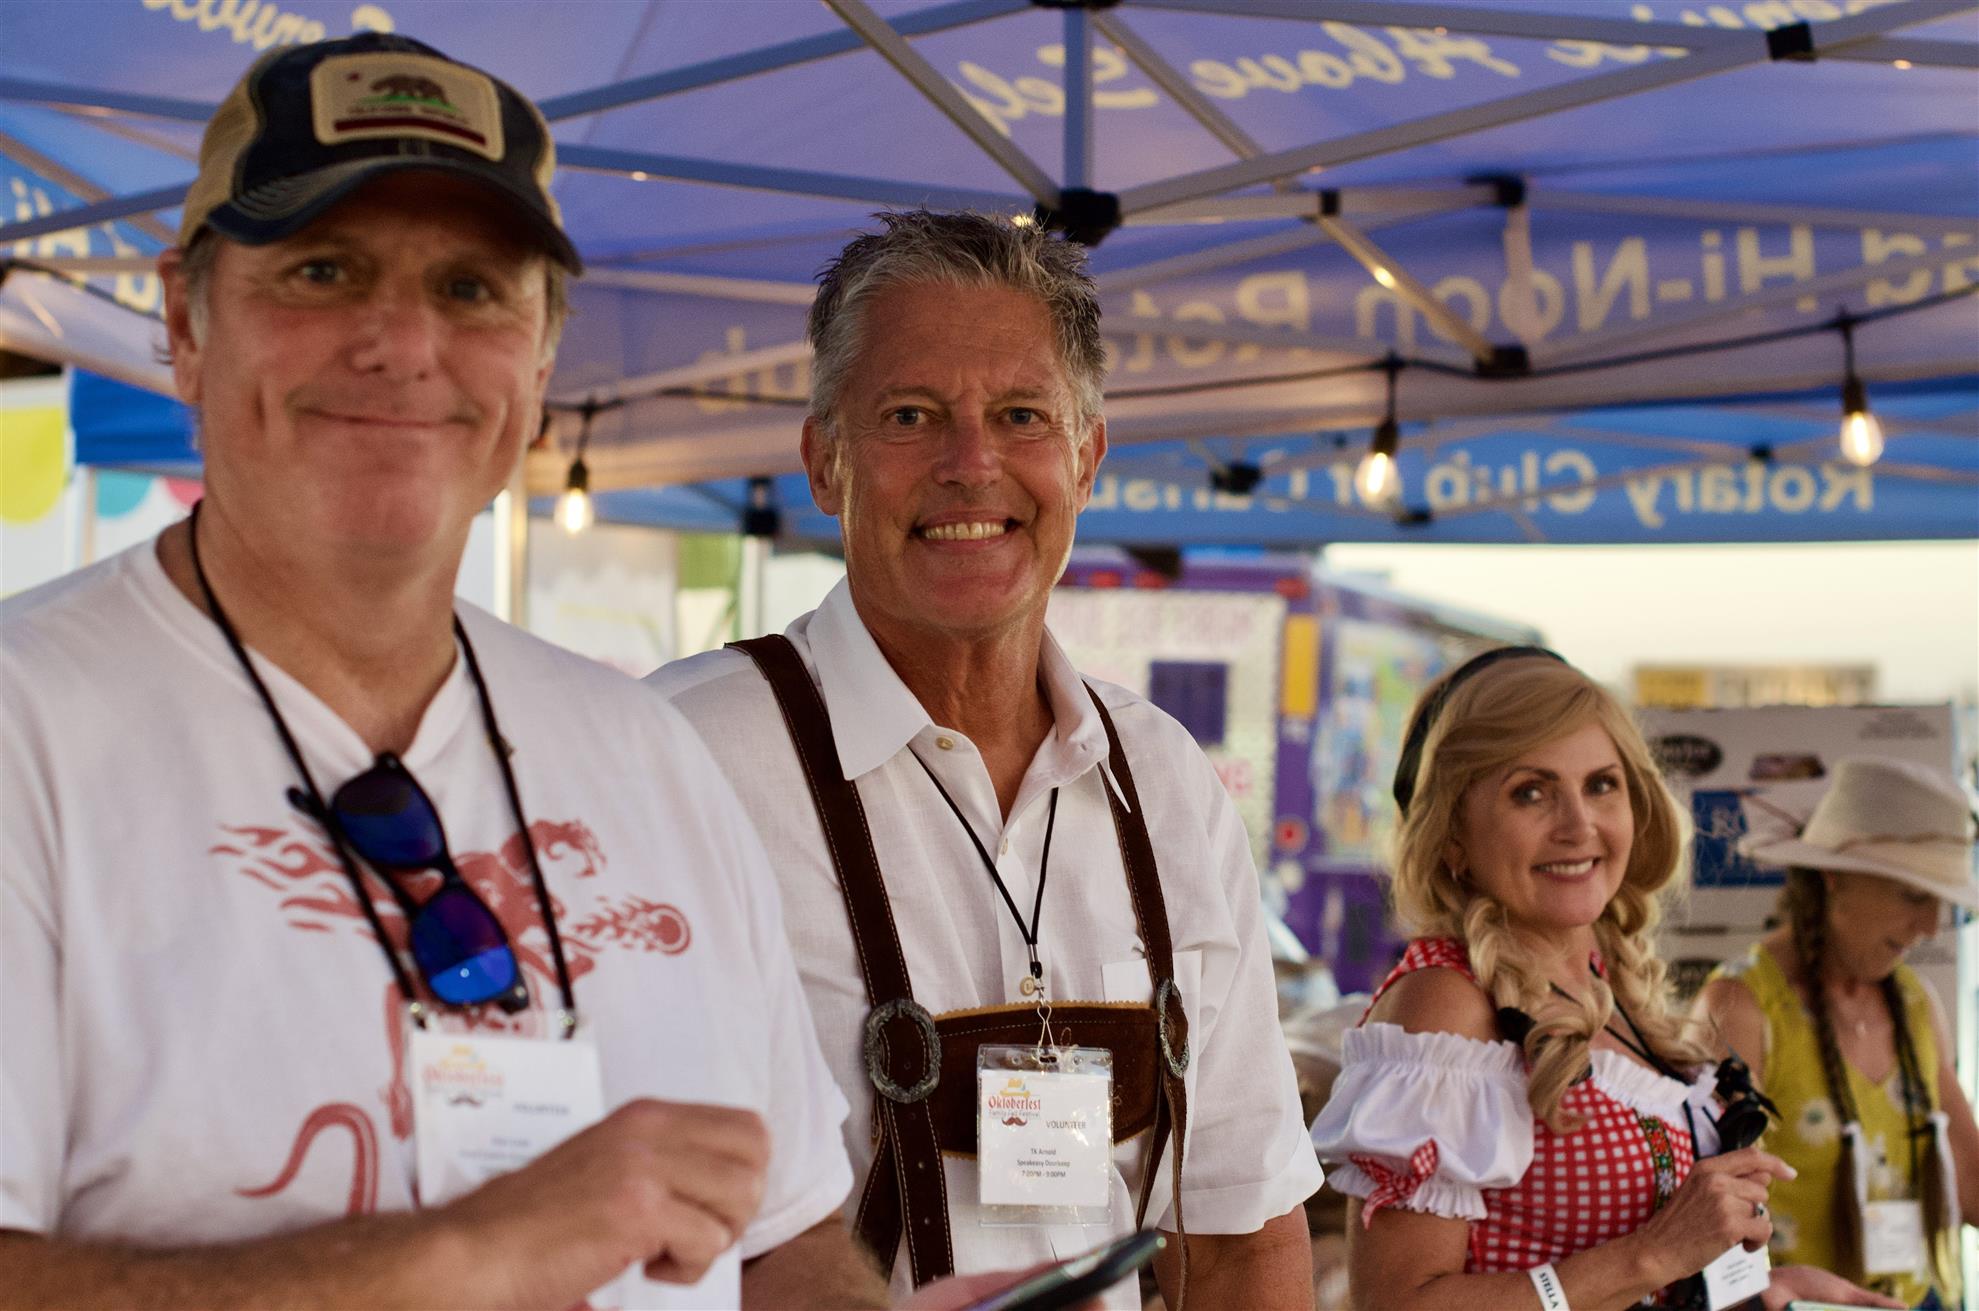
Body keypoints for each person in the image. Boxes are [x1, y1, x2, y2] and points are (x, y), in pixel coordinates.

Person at [0, 35, 1065, 1311]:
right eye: (322, 270)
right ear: (185, 318)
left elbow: (776, 1246)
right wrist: (473, 1253)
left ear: (544, 354)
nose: (404, 343)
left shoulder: (644, 754)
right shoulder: (29, 731)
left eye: (471, 288)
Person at [647, 210, 1322, 1310]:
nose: (971, 465)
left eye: (1020, 416)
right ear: (824, 461)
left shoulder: (1162, 781)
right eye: (909, 416)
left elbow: (1242, 1232)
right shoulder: (679, 756)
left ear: (1085, 459)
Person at [1309, 646, 1904, 1311]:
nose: (1578, 825)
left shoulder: (1609, 986)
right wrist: (1651, 1255)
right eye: (1530, 792)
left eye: (1600, 785)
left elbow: (1642, 1273)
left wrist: (1760, 1292)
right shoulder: (1445, 1004)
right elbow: (1399, 1303)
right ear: (1452, 833)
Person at [1696, 756, 1978, 1309]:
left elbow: (1969, 1182)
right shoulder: (1743, 1006)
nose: (1929, 927)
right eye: (1913, 895)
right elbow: (1707, 1215)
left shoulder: (1915, 1002)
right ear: (1833, 877)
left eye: (1940, 901)